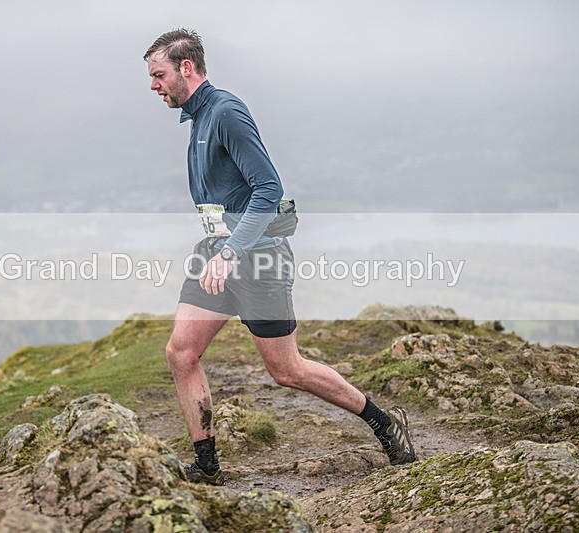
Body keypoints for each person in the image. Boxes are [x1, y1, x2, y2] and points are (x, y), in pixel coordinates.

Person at [143, 29, 416, 485]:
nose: (154, 85)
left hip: (255, 260)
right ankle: (207, 465)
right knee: (181, 352)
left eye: (158, 75)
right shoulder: (198, 117)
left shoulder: (226, 112)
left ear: (185, 68)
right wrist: (220, 252)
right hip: (215, 256)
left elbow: (269, 190)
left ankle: (384, 423)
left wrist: (232, 252)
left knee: (286, 371)